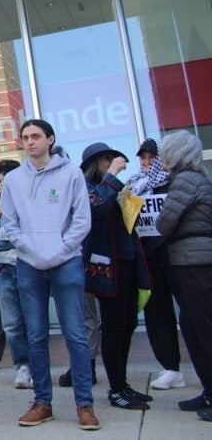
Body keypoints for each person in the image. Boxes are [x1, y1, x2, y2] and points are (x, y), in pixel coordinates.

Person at [0, 119, 99, 431]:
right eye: (25, 137)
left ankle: (85, 404)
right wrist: (31, 248)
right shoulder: (14, 180)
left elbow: (82, 220)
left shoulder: (70, 173)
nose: (30, 142)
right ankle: (42, 402)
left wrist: (60, 249)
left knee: (75, 334)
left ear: (50, 139)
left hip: (66, 261)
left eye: (36, 136)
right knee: (36, 335)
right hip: (28, 263)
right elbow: (9, 225)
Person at [80, 141, 152, 411]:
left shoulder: (116, 187)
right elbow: (95, 207)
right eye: (105, 159)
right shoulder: (87, 188)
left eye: (112, 158)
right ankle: (116, 388)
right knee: (113, 326)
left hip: (130, 259)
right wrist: (112, 175)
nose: (111, 163)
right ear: (93, 164)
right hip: (107, 267)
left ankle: (123, 384)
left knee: (128, 322)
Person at [155, 130, 212, 421]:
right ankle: (209, 391)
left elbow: (164, 224)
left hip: (195, 263)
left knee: (203, 329)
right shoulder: (194, 179)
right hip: (193, 261)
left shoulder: (185, 181)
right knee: (193, 327)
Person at [126, 138, 184, 391]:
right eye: (143, 158)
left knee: (193, 312)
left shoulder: (174, 183)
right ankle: (171, 367)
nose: (147, 162)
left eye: (152, 157)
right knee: (157, 313)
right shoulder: (134, 186)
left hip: (176, 255)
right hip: (149, 258)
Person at [0, 159, 32, 389]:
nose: (2, 184)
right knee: (11, 322)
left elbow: (31, 233)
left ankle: (36, 365)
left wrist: (6, 234)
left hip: (28, 265)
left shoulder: (28, 200)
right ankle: (22, 365)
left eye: (6, 179)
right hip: (4, 269)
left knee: (32, 319)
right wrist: (13, 236)